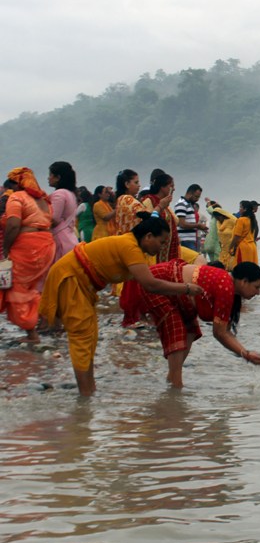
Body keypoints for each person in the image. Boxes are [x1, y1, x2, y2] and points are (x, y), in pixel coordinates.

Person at [39, 214, 203, 396]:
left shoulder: (134, 248)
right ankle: (85, 395)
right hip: (70, 278)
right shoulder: (130, 247)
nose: (162, 247)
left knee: (90, 336)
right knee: (82, 337)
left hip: (83, 285)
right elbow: (150, 284)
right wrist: (186, 288)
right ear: (148, 236)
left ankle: (89, 390)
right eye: (161, 242)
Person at [119, 260, 260, 388]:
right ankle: (175, 386)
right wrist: (245, 354)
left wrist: (245, 353)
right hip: (159, 282)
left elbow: (225, 331)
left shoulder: (229, 288)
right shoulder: (226, 287)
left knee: (190, 330)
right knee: (177, 330)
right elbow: (220, 333)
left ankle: (172, 380)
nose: (258, 292)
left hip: (176, 292)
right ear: (244, 282)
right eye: (256, 287)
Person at [1, 168, 57, 342]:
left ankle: (31, 332)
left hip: (27, 247)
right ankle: (41, 321)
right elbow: (51, 222)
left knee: (16, 287)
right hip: (46, 245)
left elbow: (13, 225)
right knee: (31, 287)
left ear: (17, 184)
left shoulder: (17, 197)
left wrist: (5, 249)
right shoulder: (44, 200)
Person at [140, 173, 180, 263]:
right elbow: (148, 222)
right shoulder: (149, 201)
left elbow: (176, 221)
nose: (173, 189)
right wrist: (160, 207)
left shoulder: (165, 205)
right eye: (171, 186)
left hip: (169, 249)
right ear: (162, 187)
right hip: (155, 251)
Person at [48, 161, 80, 264]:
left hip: (61, 239)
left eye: (50, 175)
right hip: (70, 237)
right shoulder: (70, 194)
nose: (48, 178)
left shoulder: (59, 194)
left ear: (58, 177)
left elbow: (54, 219)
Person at [174, 183, 206, 251]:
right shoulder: (181, 204)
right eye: (196, 197)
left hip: (189, 240)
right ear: (190, 193)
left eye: (198, 197)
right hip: (184, 240)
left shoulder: (189, 205)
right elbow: (182, 224)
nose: (197, 199)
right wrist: (198, 225)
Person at [114, 169, 146, 236]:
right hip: (129, 238)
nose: (139, 185)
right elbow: (145, 215)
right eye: (136, 182)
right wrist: (160, 206)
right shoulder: (126, 199)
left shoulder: (120, 199)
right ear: (127, 184)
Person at [227, 201, 258, 266]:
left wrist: (230, 247)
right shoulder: (252, 220)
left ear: (245, 209)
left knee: (241, 268)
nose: (239, 209)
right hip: (252, 246)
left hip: (243, 248)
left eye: (240, 207)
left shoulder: (241, 220)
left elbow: (237, 236)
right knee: (251, 268)